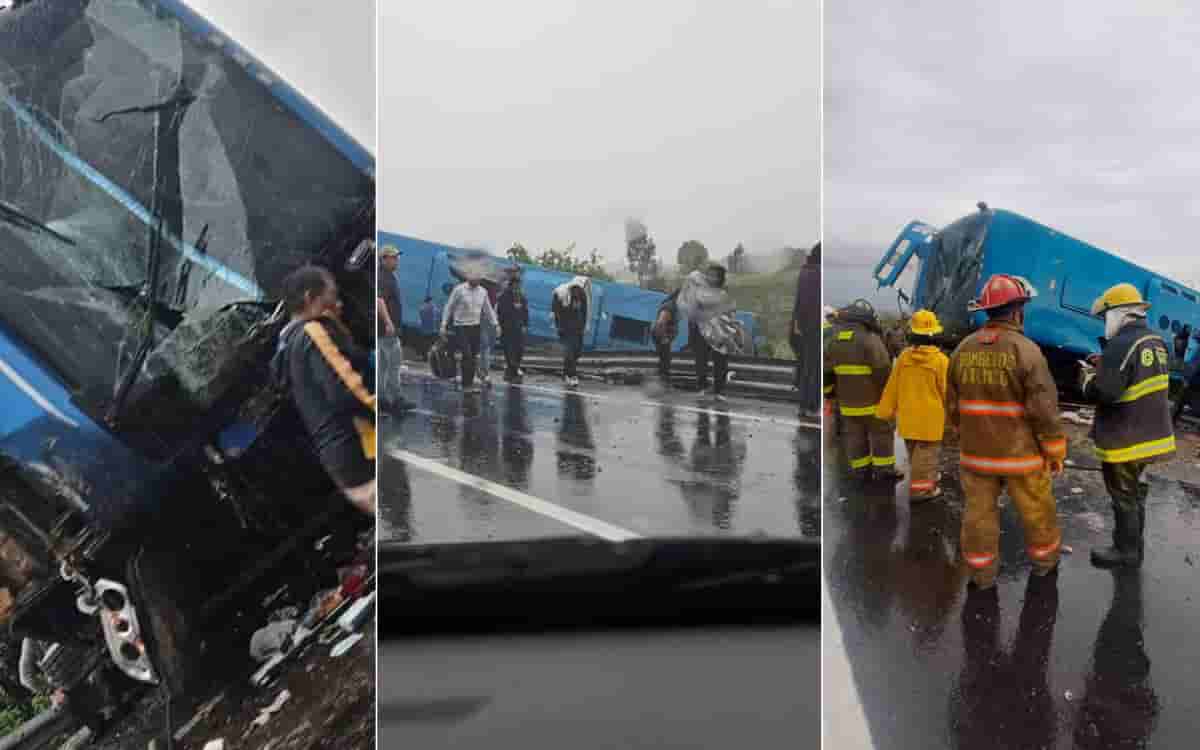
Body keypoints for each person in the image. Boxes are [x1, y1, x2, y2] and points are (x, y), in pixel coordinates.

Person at [947, 274, 1065, 589]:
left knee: (978, 516)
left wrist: (965, 435)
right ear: (1016, 312)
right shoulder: (1027, 351)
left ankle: (981, 575)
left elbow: (953, 406)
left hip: (976, 457)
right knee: (1037, 512)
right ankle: (1044, 564)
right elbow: (1044, 411)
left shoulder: (962, 350)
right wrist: (1054, 451)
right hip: (1021, 459)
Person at [1079, 283, 1175, 568]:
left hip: (1126, 436)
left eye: (1105, 316)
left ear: (1118, 313)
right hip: (1150, 432)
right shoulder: (1154, 340)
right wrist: (1105, 363)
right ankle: (1135, 546)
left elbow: (1106, 392)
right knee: (1135, 492)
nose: (1104, 322)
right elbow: (1134, 375)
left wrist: (1086, 378)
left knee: (1123, 496)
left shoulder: (1121, 343)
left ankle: (1126, 551)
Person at [273, 265, 376, 516]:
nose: (337, 300)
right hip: (361, 448)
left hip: (341, 461)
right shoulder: (312, 332)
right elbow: (348, 391)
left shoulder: (287, 348)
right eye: (332, 293)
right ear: (311, 298)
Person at [877, 309, 949, 503]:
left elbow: (892, 387)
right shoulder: (941, 361)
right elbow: (947, 392)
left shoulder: (903, 358)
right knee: (925, 456)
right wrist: (954, 417)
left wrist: (885, 411)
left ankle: (926, 478)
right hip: (930, 421)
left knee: (915, 455)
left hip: (908, 419)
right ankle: (921, 491)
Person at [823, 299, 897, 482]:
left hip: (847, 405)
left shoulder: (833, 341)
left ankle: (860, 470)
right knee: (882, 434)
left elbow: (827, 373)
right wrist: (888, 397)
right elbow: (883, 370)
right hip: (873, 402)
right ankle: (884, 470)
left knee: (855, 436)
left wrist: (830, 394)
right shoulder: (870, 339)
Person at [677, 263, 744, 402]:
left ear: (720, 279)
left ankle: (719, 391)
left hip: (718, 333)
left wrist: (732, 329)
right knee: (701, 360)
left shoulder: (723, 294)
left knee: (720, 361)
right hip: (700, 332)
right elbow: (690, 309)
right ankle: (702, 387)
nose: (710, 277)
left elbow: (729, 313)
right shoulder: (699, 290)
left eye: (714, 275)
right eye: (709, 274)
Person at [441, 271, 498, 393]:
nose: (477, 279)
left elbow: (488, 310)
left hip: (475, 327)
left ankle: (469, 383)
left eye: (479, 277)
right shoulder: (459, 290)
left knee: (472, 356)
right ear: (468, 276)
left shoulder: (483, 292)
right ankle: (466, 385)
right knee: (466, 354)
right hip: (460, 326)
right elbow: (449, 307)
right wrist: (443, 325)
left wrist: (495, 325)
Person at [791, 242, 821, 416]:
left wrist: (797, 324)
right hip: (814, 326)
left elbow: (799, 301)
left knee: (807, 366)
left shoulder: (805, 272)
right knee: (814, 368)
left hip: (804, 326)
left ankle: (804, 404)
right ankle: (811, 405)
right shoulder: (816, 273)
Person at [552, 276, 591, 388]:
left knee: (577, 352)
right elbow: (556, 313)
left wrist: (584, 327)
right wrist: (559, 327)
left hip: (578, 329)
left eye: (579, 288)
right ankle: (572, 375)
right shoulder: (563, 294)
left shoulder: (582, 295)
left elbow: (584, 312)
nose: (577, 290)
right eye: (576, 288)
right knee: (569, 352)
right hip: (566, 329)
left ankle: (566, 373)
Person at [377, 245, 405, 391]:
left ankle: (393, 397)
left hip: (391, 329)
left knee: (393, 364)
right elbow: (379, 300)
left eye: (397, 257)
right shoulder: (381, 276)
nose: (397, 261)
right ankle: (385, 399)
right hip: (385, 329)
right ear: (383, 259)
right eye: (393, 258)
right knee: (385, 365)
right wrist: (388, 322)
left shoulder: (390, 276)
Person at [496, 267, 529, 382]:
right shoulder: (504, 296)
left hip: (519, 328)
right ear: (511, 285)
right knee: (509, 351)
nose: (517, 287)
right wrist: (499, 326)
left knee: (519, 350)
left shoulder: (522, 297)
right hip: (507, 328)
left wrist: (525, 325)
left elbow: (525, 312)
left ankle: (510, 372)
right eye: (515, 284)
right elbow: (501, 312)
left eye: (518, 284)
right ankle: (513, 373)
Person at [652, 289, 681, 384]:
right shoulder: (670, 306)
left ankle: (661, 380)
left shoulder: (674, 306)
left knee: (665, 359)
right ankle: (662, 383)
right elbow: (661, 323)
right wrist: (664, 337)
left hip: (662, 335)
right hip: (661, 335)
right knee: (666, 359)